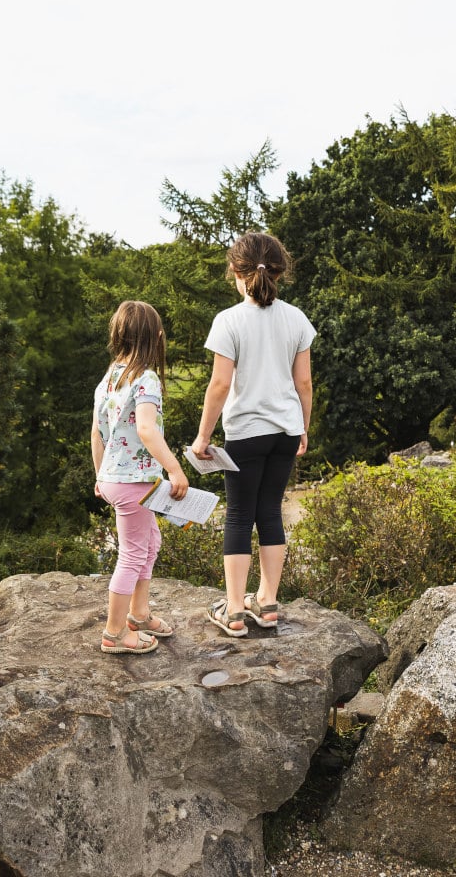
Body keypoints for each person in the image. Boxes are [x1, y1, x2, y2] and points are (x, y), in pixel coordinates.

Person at [191, 233, 315, 638]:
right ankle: (267, 603)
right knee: (271, 512)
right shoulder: (297, 318)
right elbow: (305, 383)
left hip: (245, 432)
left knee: (240, 516)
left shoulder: (229, 320)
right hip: (284, 430)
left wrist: (203, 436)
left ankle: (233, 611)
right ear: (279, 272)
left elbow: (219, 386)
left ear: (236, 273)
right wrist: (303, 429)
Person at [91, 301, 190, 654]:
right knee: (133, 554)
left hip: (120, 479)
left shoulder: (108, 379)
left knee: (150, 544)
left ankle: (139, 614)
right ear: (157, 337)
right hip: (134, 481)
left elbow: (96, 433)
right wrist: (176, 469)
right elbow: (147, 430)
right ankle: (115, 633)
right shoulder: (145, 378)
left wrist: (100, 475)